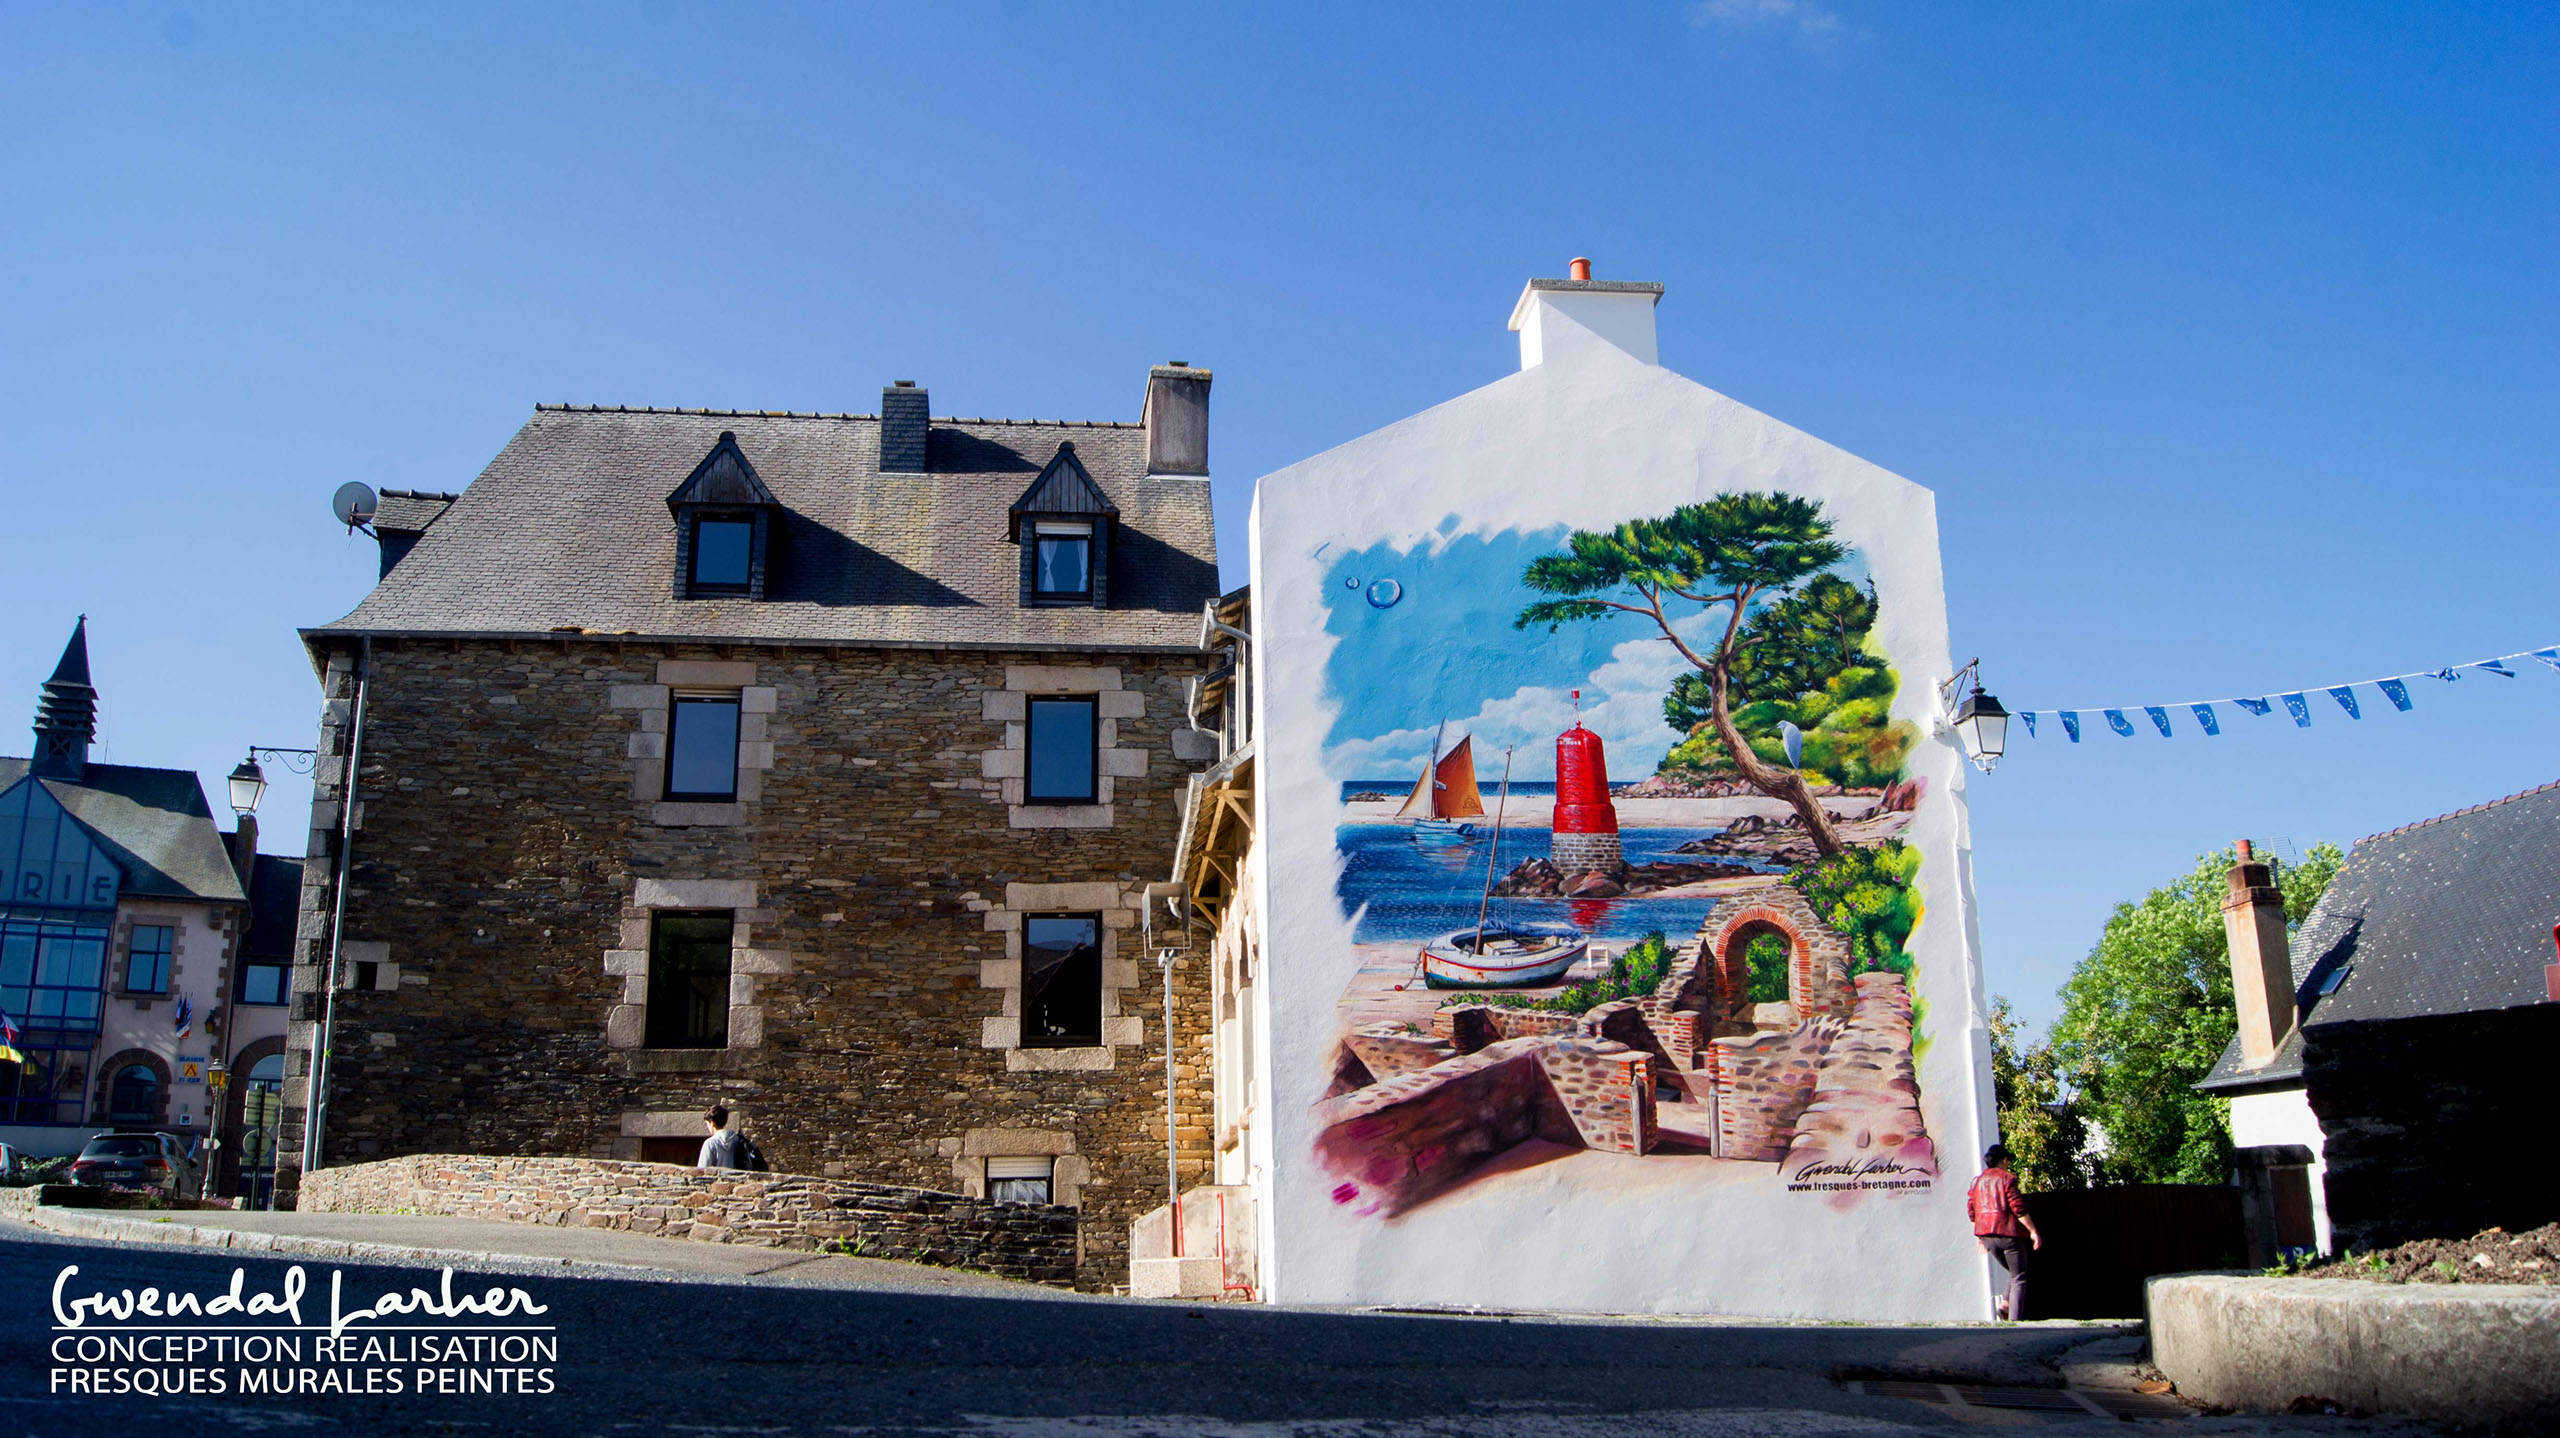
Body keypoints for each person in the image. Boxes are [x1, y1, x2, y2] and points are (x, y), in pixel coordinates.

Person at [1967, 1144, 2042, 1320]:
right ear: (2004, 1160)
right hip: (2007, 1235)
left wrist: (1979, 1237)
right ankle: (2014, 1321)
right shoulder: (2007, 1179)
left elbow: (1972, 1211)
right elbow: (2018, 1208)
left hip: (1987, 1237)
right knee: (2019, 1277)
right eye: (2007, 1161)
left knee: (2015, 1271)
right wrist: (2033, 1231)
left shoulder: (1977, 1182)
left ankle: (2005, 1303)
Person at [696, 1105, 746, 1170]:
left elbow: (702, 1170)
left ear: (712, 1123)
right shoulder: (738, 1140)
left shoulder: (710, 1143)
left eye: (707, 1124)